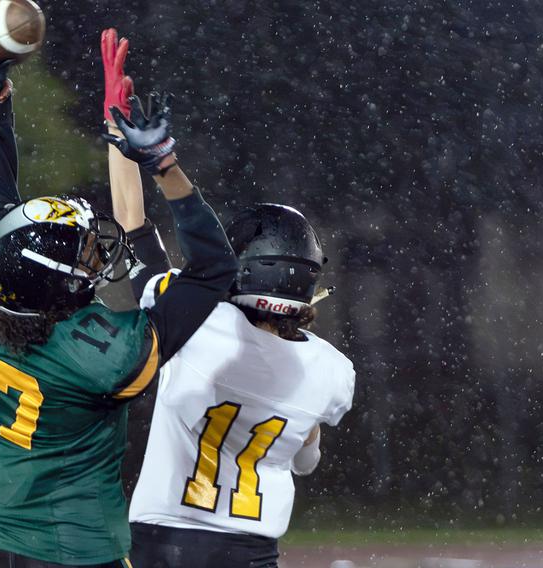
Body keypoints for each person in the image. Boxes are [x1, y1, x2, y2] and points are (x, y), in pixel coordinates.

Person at [0, 36, 237, 568]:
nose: (96, 258)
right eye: (86, 254)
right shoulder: (102, 358)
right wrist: (164, 164)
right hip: (72, 542)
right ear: (60, 288)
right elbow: (214, 271)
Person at [99, 29, 356, 568]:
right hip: (251, 552)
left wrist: (116, 133)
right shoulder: (333, 370)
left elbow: (133, 225)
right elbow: (305, 461)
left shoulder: (199, 324)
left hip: (160, 542)